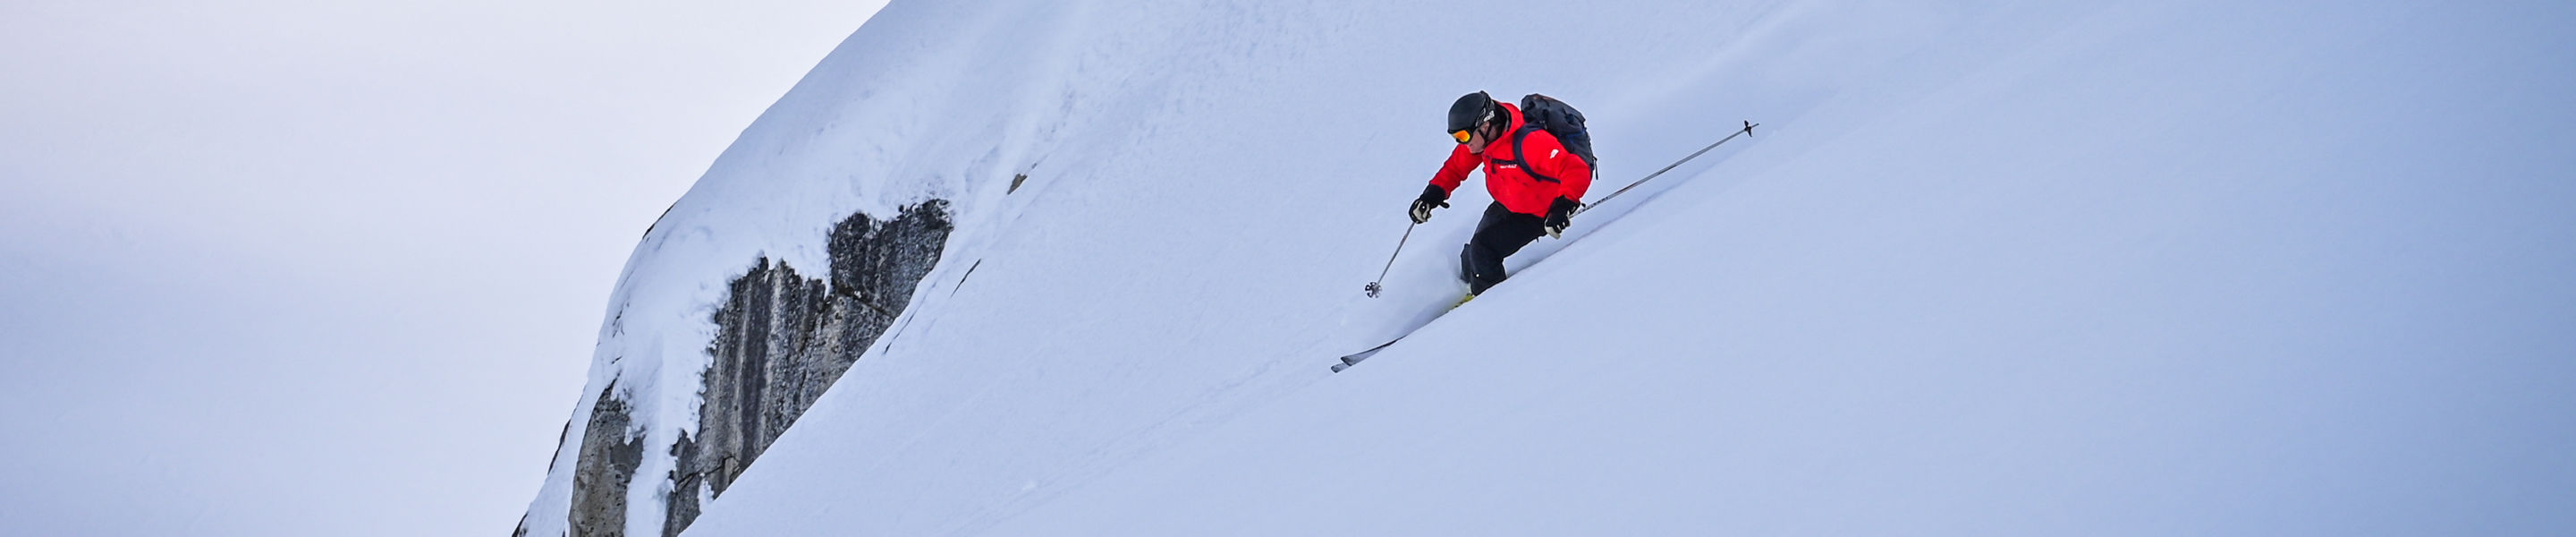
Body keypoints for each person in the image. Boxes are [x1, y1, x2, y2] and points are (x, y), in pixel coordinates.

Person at [1410, 91, 1594, 297]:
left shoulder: (1530, 142)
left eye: (1463, 136)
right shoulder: (1482, 141)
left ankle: (1491, 305)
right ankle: (1468, 286)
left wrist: (1563, 207)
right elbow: (1455, 168)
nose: (1461, 143)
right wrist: (1431, 195)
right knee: (1473, 256)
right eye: (1456, 137)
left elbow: (1575, 170)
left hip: (1540, 212)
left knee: (1484, 250)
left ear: (1485, 126)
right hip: (1508, 202)